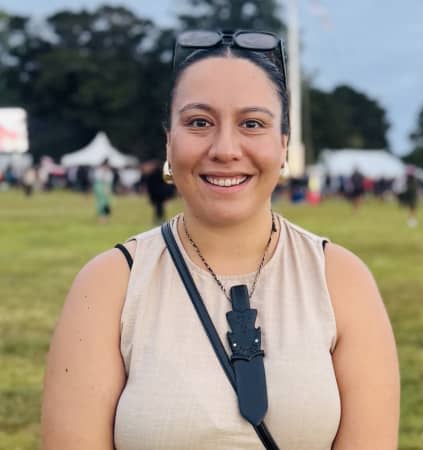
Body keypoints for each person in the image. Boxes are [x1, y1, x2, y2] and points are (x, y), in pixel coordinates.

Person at [42, 29, 400, 450]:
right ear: (169, 143)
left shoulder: (341, 281)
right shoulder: (109, 285)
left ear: (282, 145)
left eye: (252, 123)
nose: (226, 148)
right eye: (199, 122)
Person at [92, 158, 114, 224]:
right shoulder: (102, 171)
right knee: (102, 204)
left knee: (105, 203)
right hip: (102, 187)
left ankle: (104, 219)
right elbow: (103, 181)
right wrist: (106, 188)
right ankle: (102, 220)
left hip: (103, 187)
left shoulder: (106, 171)